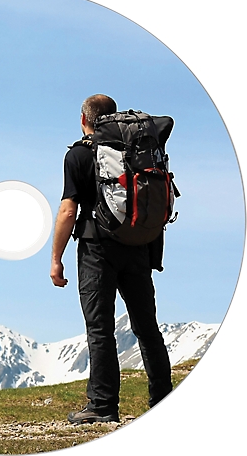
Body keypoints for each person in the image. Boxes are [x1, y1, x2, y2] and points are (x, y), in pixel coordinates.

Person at [50, 94, 173, 424]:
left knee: (100, 328)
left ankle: (103, 405)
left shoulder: (78, 155)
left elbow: (67, 210)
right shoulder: (138, 153)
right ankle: (163, 400)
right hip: (137, 246)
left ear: (83, 119)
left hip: (96, 250)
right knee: (147, 328)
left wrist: (56, 259)